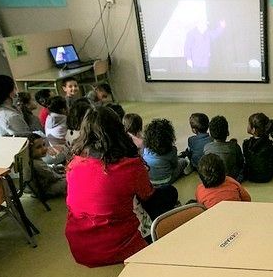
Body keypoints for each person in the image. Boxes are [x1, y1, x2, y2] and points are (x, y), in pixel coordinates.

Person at [65, 106, 178, 267]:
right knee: (169, 193)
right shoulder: (129, 165)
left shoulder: (74, 163)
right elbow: (148, 196)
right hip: (120, 245)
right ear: (119, 130)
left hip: (81, 247)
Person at [142, 118, 188, 186]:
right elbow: (175, 165)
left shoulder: (146, 149)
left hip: (150, 180)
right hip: (167, 180)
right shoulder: (172, 150)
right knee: (183, 161)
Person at [203, 115, 244, 182]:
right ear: (227, 133)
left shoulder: (206, 147)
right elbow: (241, 163)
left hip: (214, 179)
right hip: (232, 179)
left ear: (210, 134)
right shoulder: (235, 147)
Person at [26, 133, 66, 198]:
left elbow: (47, 168)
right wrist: (64, 175)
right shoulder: (37, 164)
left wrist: (56, 167)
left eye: (44, 145)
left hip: (37, 188)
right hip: (45, 190)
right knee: (69, 180)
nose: (44, 148)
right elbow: (53, 176)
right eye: (38, 147)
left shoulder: (32, 159)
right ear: (29, 151)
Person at [242, 113, 273, 183]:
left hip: (251, 176)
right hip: (267, 176)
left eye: (248, 124)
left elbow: (246, 160)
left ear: (253, 129)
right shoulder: (270, 144)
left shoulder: (246, 144)